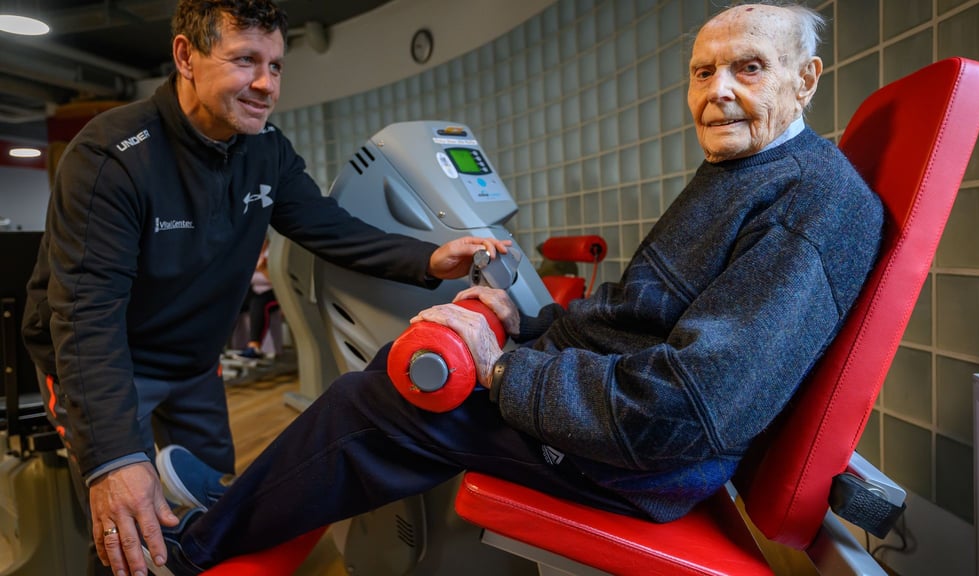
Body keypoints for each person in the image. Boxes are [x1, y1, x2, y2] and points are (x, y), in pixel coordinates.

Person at [146, 2, 887, 574]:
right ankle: (238, 512)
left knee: (366, 406)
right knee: (385, 382)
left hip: (639, 460)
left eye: (748, 69)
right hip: (632, 431)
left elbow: (687, 409)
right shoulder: (748, 171)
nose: (718, 92)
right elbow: (641, 323)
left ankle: (189, 554)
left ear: (805, 78)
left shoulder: (811, 205)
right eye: (703, 72)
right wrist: (525, 327)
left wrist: (500, 367)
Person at [19, 1, 508, 574]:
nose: (265, 83)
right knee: (129, 525)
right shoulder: (114, 157)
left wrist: (429, 257)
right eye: (245, 60)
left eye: (275, 65)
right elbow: (85, 318)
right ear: (185, 56)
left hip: (193, 361)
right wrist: (113, 460)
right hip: (107, 358)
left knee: (214, 512)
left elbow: (330, 228)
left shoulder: (266, 151)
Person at [235, 236, 277, 360]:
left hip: (276, 292)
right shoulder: (252, 252)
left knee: (258, 303)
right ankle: (218, 346)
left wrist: (263, 270)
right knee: (234, 303)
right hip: (256, 290)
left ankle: (254, 347)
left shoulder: (272, 254)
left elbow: (279, 281)